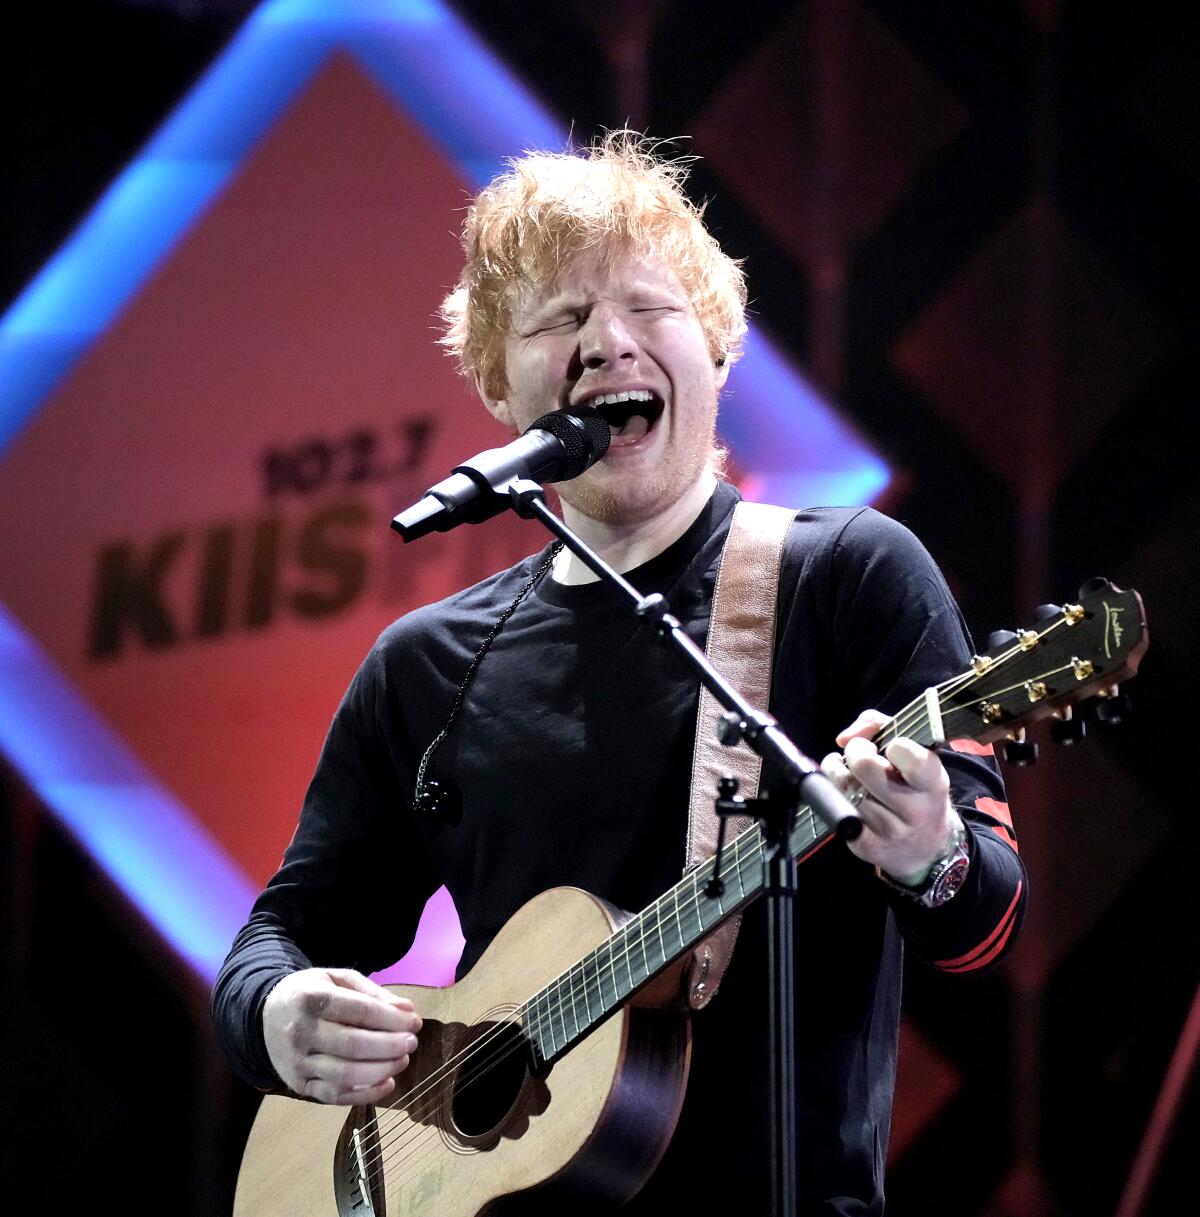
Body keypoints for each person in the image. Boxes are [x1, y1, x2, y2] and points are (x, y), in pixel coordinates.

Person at [212, 132, 1026, 1215]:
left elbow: (983, 925)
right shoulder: (424, 667)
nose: (608, 344)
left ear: (719, 348)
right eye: (561, 319)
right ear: (505, 389)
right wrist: (278, 1014)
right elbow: (280, 937)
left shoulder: (845, 577)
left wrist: (930, 854)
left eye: (650, 307)